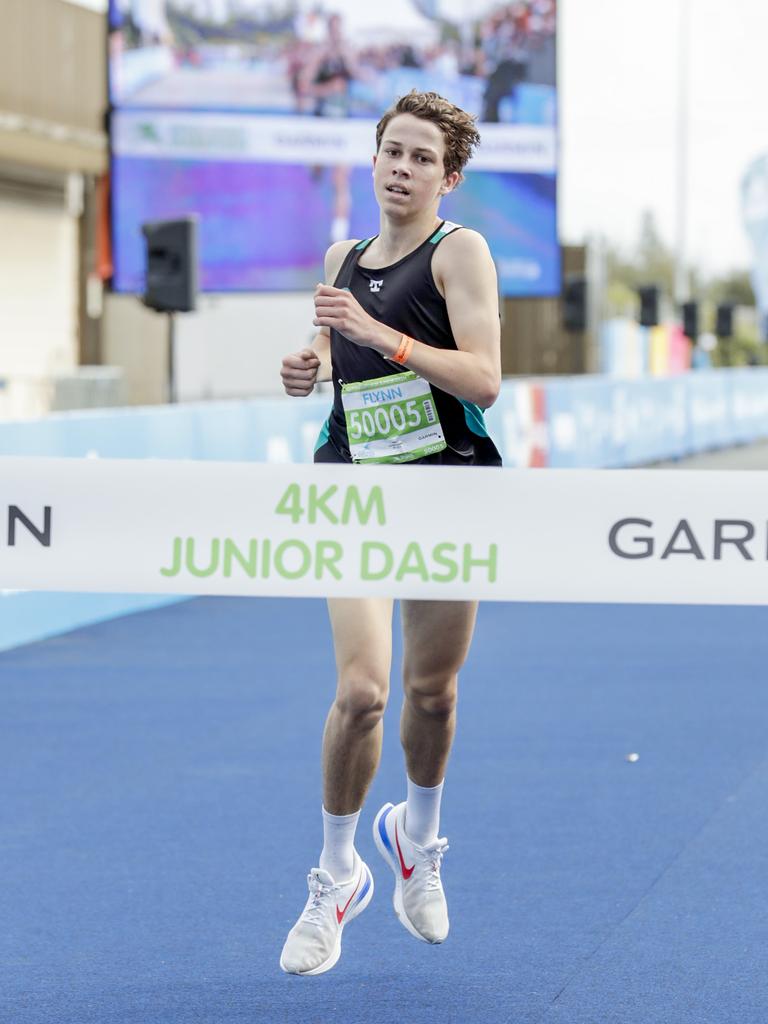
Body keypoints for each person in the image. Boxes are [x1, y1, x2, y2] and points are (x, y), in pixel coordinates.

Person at [278, 89, 502, 976]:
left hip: (448, 489)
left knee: (432, 694)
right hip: (355, 491)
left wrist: (381, 334)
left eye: (420, 158)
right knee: (364, 691)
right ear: (373, 161)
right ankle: (336, 875)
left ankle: (418, 836)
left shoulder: (462, 253)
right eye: (391, 152)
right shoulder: (342, 255)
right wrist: (310, 367)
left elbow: (483, 380)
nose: (401, 168)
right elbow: (337, 359)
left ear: (446, 179)